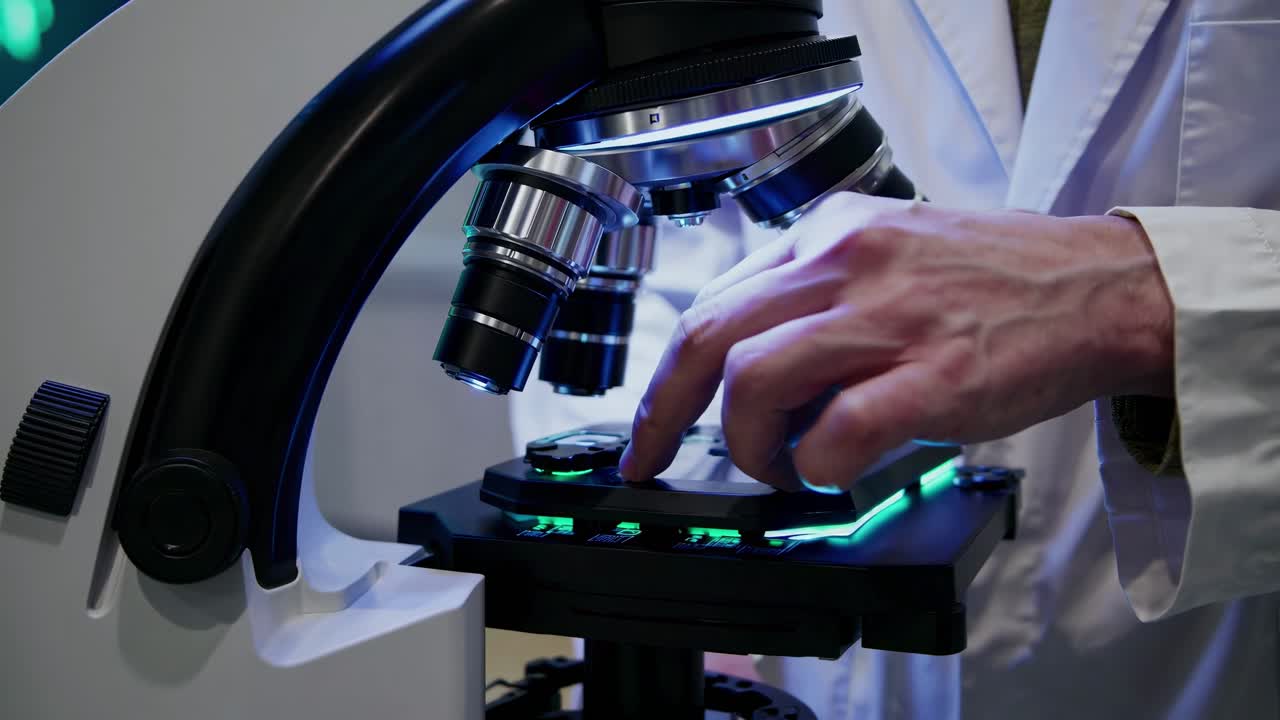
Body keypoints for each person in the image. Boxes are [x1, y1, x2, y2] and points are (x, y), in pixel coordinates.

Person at [513, 0, 1280, 717]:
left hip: (1190, 662)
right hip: (810, 659)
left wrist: (1147, 295)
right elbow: (666, 253)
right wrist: (683, 614)